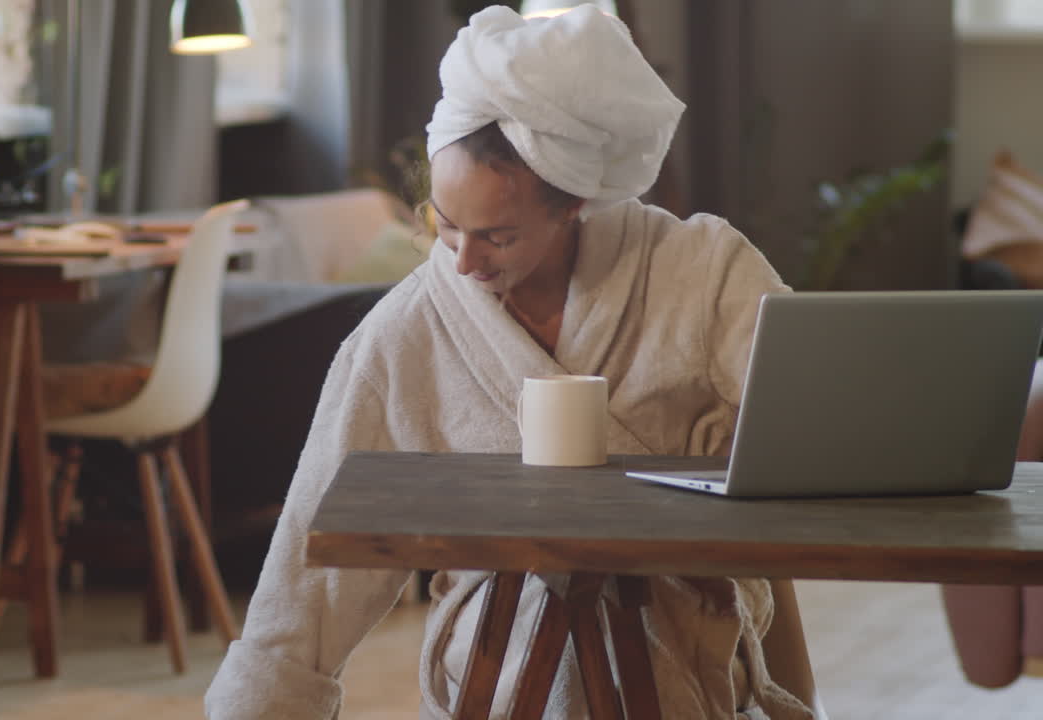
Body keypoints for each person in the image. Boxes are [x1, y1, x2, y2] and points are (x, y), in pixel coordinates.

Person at [205, 6, 817, 719]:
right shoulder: (412, 326)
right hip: (499, 649)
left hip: (681, 635)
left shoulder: (699, 271)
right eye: (445, 224)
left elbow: (815, 414)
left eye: (496, 236)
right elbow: (311, 542)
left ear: (574, 205)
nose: (462, 262)